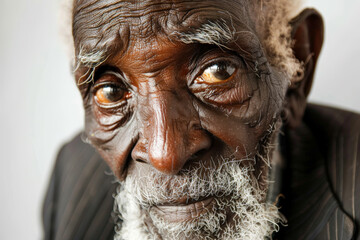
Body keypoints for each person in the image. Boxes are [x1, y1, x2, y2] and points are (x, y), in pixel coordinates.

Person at [43, 0, 360, 239]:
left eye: (217, 72)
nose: (165, 155)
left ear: (295, 67)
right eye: (111, 92)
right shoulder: (72, 179)